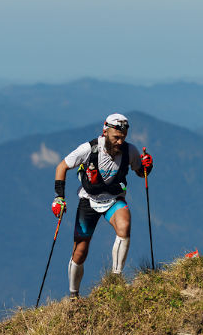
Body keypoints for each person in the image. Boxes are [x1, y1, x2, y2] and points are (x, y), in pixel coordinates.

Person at [52, 113, 153, 298]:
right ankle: (74, 296)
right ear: (105, 132)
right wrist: (59, 198)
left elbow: (140, 172)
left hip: (114, 199)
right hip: (88, 200)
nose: (120, 142)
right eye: (116, 137)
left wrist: (147, 166)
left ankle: (115, 280)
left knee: (125, 226)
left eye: (123, 138)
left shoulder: (130, 151)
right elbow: (61, 167)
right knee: (80, 251)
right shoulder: (88, 149)